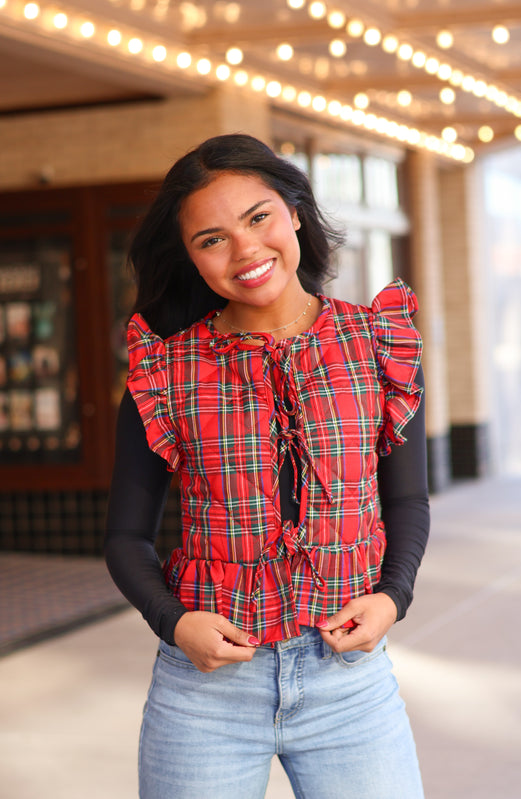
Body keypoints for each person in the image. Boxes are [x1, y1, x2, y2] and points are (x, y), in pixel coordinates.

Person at [105, 133, 430, 799]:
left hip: (349, 685)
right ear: (191, 257)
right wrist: (174, 620)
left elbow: (406, 502)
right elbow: (124, 537)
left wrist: (390, 597)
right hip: (205, 692)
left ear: (295, 215)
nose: (246, 250)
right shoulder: (164, 371)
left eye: (258, 218)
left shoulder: (377, 344)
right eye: (211, 238)